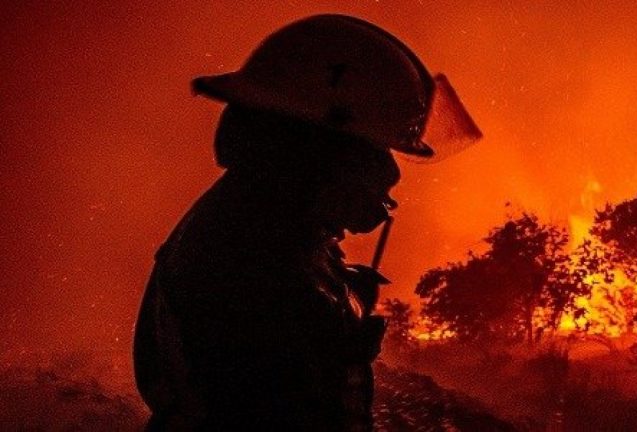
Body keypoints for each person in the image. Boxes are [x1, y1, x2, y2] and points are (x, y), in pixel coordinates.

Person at [133, 14, 481, 431]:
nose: (381, 191)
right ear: (313, 152)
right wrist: (330, 337)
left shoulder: (268, 227)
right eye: (368, 161)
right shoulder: (253, 263)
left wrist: (340, 299)